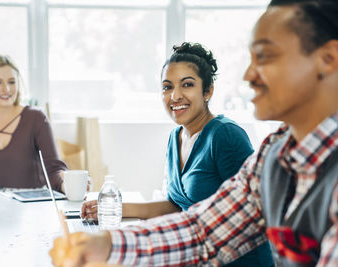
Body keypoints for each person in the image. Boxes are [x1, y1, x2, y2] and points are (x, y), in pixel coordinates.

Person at [50, 0, 338, 266]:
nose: (248, 75)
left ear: (328, 59)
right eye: (167, 86)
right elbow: (205, 230)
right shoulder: (273, 157)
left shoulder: (226, 135)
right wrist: (105, 245)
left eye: (265, 56)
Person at [80, 42, 273, 266]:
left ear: (208, 91)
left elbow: (249, 214)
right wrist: (114, 209)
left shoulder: (225, 135)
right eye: (167, 87)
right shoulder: (175, 137)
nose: (175, 96)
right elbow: (176, 205)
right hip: (198, 255)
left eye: (187, 85)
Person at [0, 55, 67, 193]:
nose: (7, 89)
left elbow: (54, 170)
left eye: (12, 82)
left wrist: (69, 185)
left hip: (31, 207)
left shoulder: (36, 118)